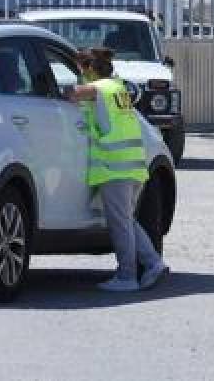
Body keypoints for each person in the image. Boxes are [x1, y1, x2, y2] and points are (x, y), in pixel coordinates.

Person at [67, 47, 168, 292]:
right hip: (132, 166)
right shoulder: (119, 88)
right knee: (128, 221)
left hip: (115, 167)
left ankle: (127, 277)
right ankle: (153, 264)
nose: (81, 75)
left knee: (120, 223)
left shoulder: (99, 88)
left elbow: (71, 94)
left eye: (81, 70)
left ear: (90, 69)